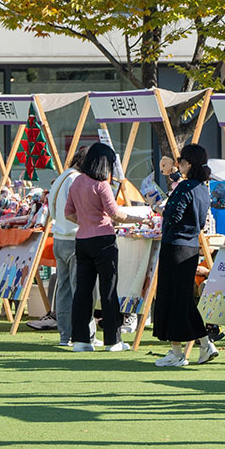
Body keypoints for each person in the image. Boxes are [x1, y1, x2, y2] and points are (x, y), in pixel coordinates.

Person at [65, 141, 143, 352]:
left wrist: (86, 221)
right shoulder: (102, 185)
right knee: (108, 291)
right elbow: (115, 213)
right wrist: (140, 219)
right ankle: (113, 340)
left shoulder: (77, 181)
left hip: (82, 241)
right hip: (104, 242)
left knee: (83, 291)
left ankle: (80, 340)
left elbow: (68, 213)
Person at [153, 144, 218, 368]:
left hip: (175, 245)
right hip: (190, 246)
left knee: (171, 298)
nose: (178, 165)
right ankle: (199, 344)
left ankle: (180, 351)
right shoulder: (202, 188)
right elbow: (200, 221)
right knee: (181, 298)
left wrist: (160, 209)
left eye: (181, 162)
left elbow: (174, 215)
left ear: (188, 164)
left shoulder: (184, 187)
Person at [39, 146, 90, 347]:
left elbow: (50, 207)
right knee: (81, 289)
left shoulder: (62, 177)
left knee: (64, 289)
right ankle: (83, 334)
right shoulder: (77, 180)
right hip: (76, 238)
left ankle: (64, 335)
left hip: (59, 238)